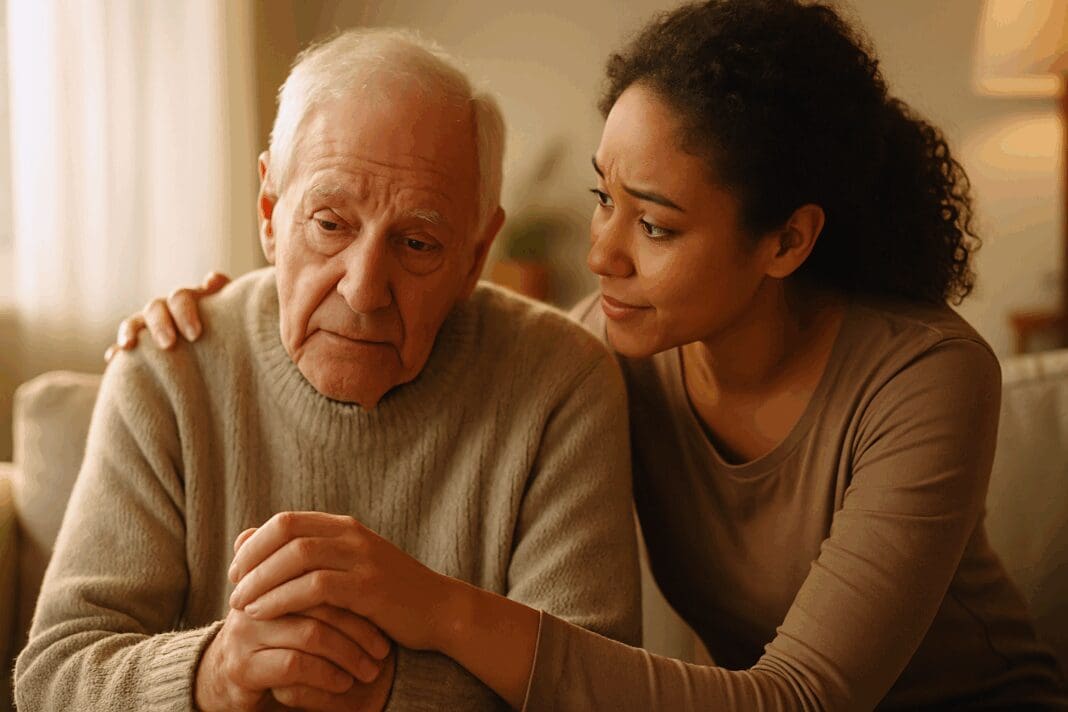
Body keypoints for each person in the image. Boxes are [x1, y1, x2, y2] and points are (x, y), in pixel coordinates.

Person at [110, 0, 1068, 709]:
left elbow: (802, 699)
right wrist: (229, 305)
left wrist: (431, 607)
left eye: (653, 223)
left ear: (786, 242)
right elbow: (407, 288)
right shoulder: (600, 350)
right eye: (604, 197)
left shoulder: (930, 375)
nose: (601, 251)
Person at [14, 28, 641, 712]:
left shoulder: (561, 384)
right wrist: (218, 671)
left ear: (475, 254)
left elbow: (596, 691)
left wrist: (377, 688)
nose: (364, 289)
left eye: (417, 243)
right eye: (331, 224)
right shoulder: (169, 370)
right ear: (269, 216)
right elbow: (54, 677)